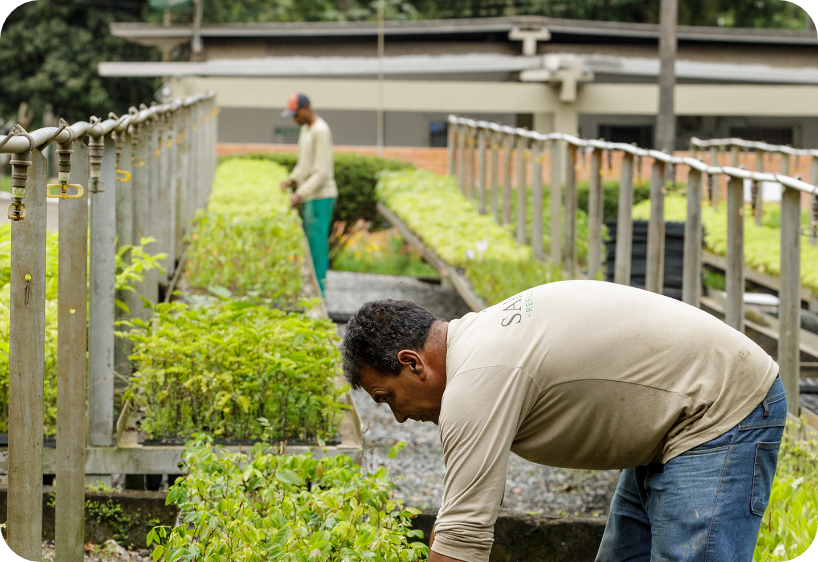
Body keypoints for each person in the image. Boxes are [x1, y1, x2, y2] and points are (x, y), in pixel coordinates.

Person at [340, 280, 786, 562]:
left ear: (412, 363)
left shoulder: (475, 380)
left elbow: (464, 536)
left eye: (388, 398)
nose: (399, 417)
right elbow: (459, 517)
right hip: (672, 418)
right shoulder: (476, 347)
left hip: (720, 409)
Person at [279, 92, 338, 294]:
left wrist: (299, 194)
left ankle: (319, 295)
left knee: (317, 248)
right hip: (311, 197)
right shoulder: (306, 129)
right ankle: (313, 291)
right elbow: (304, 164)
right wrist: (291, 180)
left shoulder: (320, 130)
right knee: (311, 247)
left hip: (321, 197)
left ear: (306, 109)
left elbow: (322, 171)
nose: (295, 119)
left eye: (296, 114)